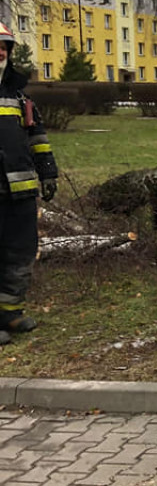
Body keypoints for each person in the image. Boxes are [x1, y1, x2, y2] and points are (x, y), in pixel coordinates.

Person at [0, 21, 57, 346]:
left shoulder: (20, 96)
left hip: (19, 193)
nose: (0, 52)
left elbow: (37, 138)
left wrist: (48, 172)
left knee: (20, 253)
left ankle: (10, 312)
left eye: (4, 46)